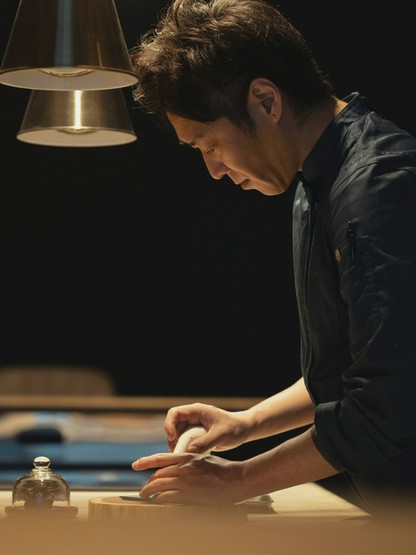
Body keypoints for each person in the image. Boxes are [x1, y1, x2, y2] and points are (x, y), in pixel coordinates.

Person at [129, 0, 416, 515]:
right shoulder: (314, 183)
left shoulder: (378, 187)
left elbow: (388, 404)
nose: (214, 170)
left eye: (209, 144)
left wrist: (236, 479)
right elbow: (352, 369)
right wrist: (245, 424)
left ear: (265, 101)